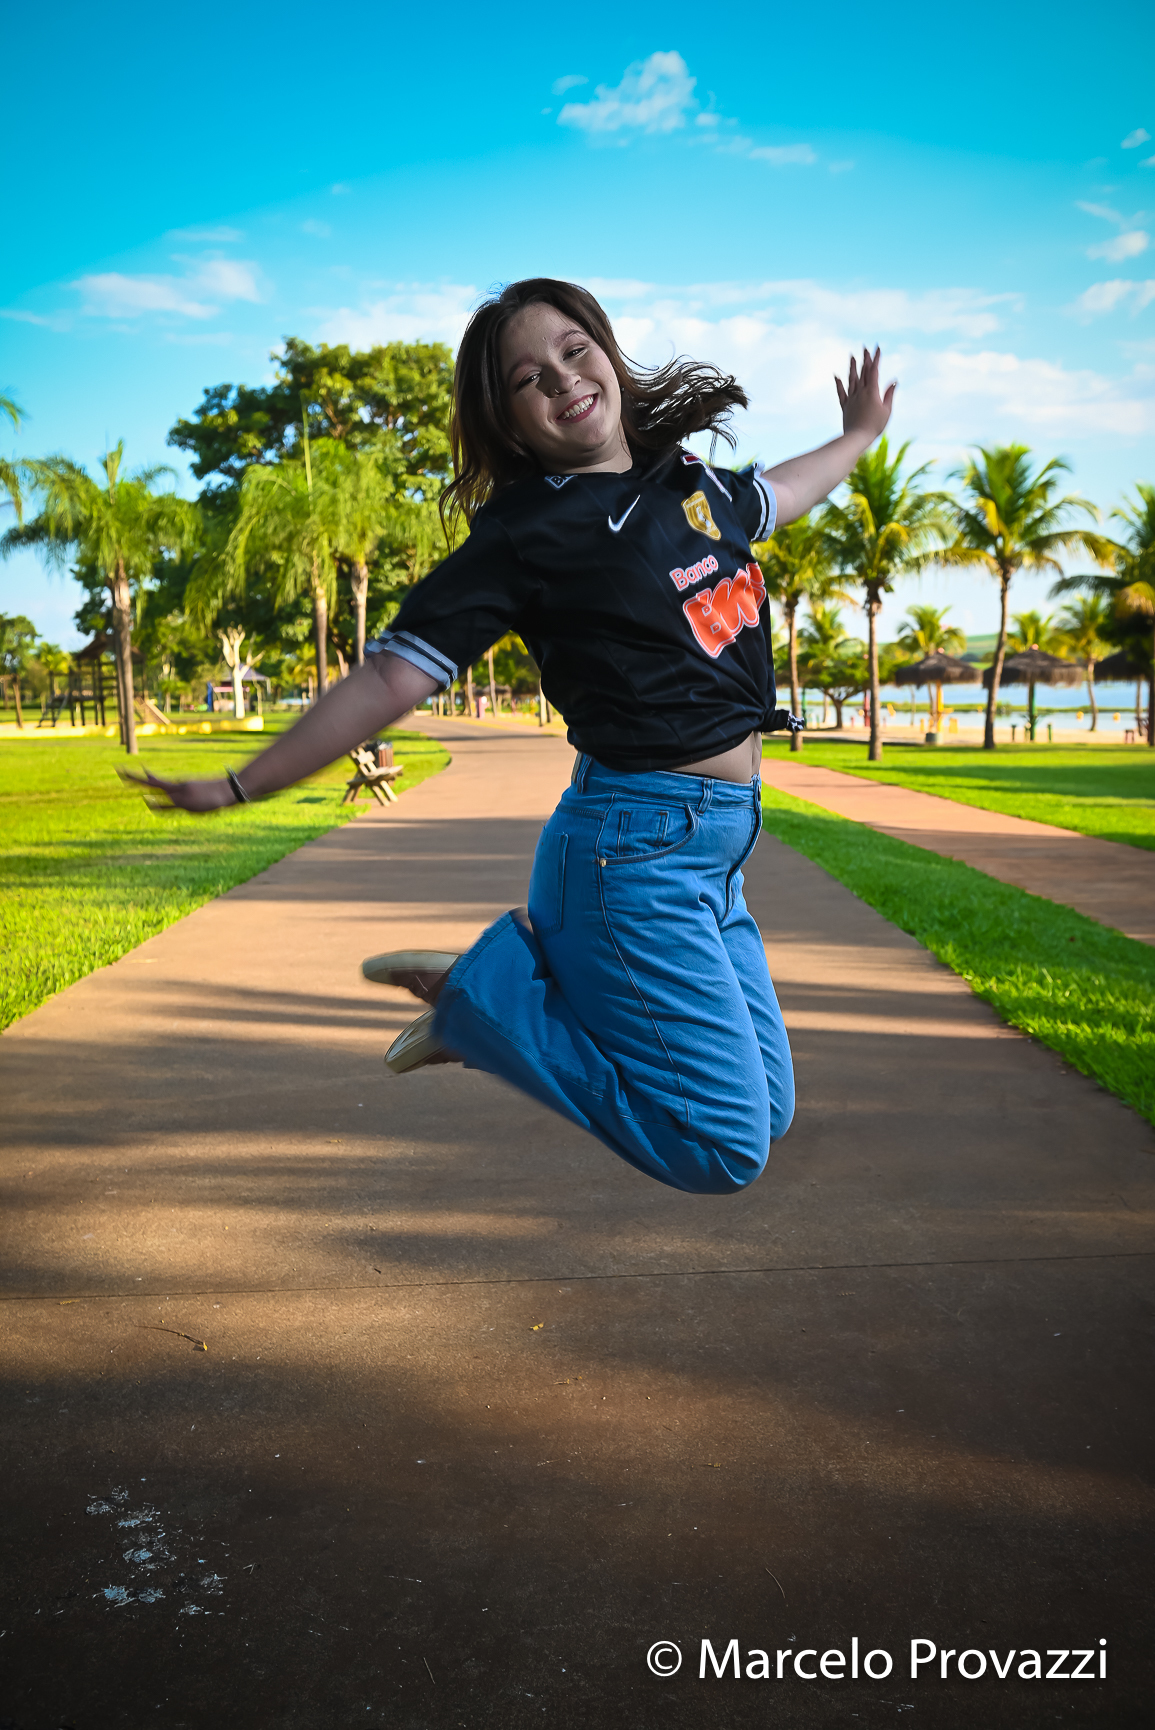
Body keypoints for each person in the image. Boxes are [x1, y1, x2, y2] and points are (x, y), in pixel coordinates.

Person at [133, 278, 894, 1198]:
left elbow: (783, 491)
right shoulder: (526, 533)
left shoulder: (686, 483)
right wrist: (241, 783)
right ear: (508, 421)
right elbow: (391, 677)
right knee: (720, 1149)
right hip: (633, 853)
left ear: (607, 353)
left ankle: (511, 990)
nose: (562, 379)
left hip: (714, 852)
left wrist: (858, 436)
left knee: (766, 1110)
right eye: (528, 377)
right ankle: (485, 1004)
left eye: (574, 350)